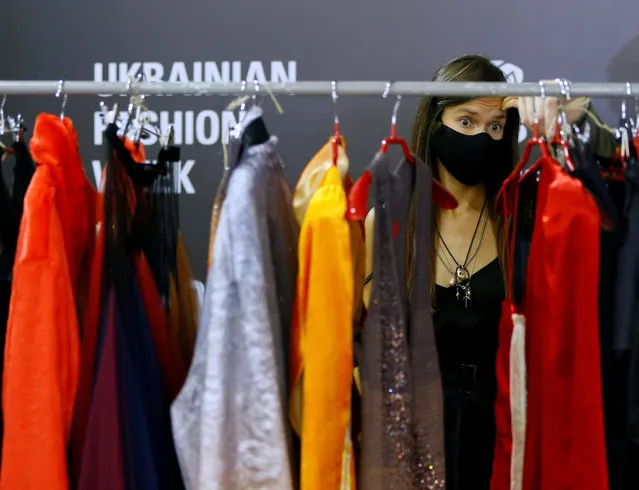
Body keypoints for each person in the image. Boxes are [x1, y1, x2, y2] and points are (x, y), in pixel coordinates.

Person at [361, 54, 617, 489]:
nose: (482, 136)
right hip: (416, 440)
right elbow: (369, 347)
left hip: (504, 436)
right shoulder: (391, 222)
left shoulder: (518, 215)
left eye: (495, 125)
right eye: (467, 121)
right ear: (434, 121)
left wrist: (551, 127)